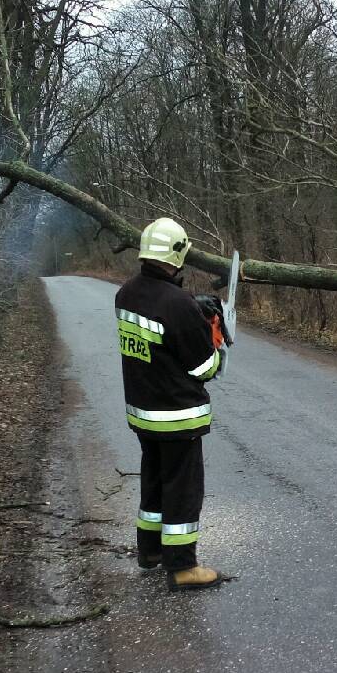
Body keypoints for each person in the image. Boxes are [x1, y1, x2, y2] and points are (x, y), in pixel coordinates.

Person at [116, 217, 226, 592]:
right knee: (182, 489)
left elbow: (156, 340)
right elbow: (204, 368)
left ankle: (149, 550)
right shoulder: (179, 305)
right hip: (177, 416)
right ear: (178, 253)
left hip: (143, 412)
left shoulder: (126, 293)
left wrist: (193, 318)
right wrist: (213, 338)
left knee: (154, 482)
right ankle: (182, 566)